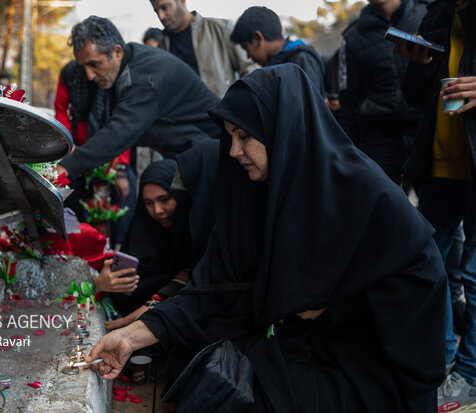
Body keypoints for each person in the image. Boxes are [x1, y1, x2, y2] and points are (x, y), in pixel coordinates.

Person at [85, 64, 446, 412]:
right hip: (297, 349)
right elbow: (215, 288)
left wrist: (336, 304)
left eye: (244, 136)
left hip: (370, 366)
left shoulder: (364, 194)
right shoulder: (256, 195)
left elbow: (419, 283)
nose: (233, 151)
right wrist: (131, 337)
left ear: (282, 129)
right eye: (230, 136)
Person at [398, 0, 476, 408]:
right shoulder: (436, 16)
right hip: (439, 161)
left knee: (473, 273)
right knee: (429, 262)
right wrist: (420, 62)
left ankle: (471, 372)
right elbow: (414, 98)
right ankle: (443, 359)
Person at [57, 16, 220, 181]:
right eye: (83, 67)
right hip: (187, 154)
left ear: (117, 52)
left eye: (94, 64)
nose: (89, 76)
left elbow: (118, 133)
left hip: (214, 152)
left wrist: (64, 167)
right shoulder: (125, 66)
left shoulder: (145, 77)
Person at [97, 140, 219, 329]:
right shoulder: (145, 235)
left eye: (165, 199)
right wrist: (102, 284)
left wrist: (146, 311)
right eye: (148, 203)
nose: (157, 210)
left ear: (181, 196)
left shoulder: (198, 233)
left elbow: (194, 277)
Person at [339, 0, 430, 185]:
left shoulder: (429, 14)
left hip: (427, 128)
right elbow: (348, 100)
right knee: (382, 209)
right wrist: (344, 150)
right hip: (380, 136)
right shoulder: (353, 35)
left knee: (436, 210)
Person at [54, 60, 136, 245]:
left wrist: (121, 169)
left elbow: (126, 126)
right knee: (73, 201)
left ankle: (119, 252)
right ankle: (80, 250)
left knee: (124, 197)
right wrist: (68, 142)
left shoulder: (117, 74)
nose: (91, 74)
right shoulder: (69, 73)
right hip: (78, 152)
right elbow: (61, 109)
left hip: (113, 151)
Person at [149, 0, 255, 97]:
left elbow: (249, 71)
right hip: (184, 116)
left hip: (223, 113)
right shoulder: (161, 48)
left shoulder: (220, 28)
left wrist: (237, 107)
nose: (161, 16)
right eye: (156, 11)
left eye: (165, 7)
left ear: (181, 1)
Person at [230, 6, 325, 96]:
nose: (248, 56)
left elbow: (309, 107)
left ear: (258, 38)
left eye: (246, 47)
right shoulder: (275, 65)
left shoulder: (301, 59)